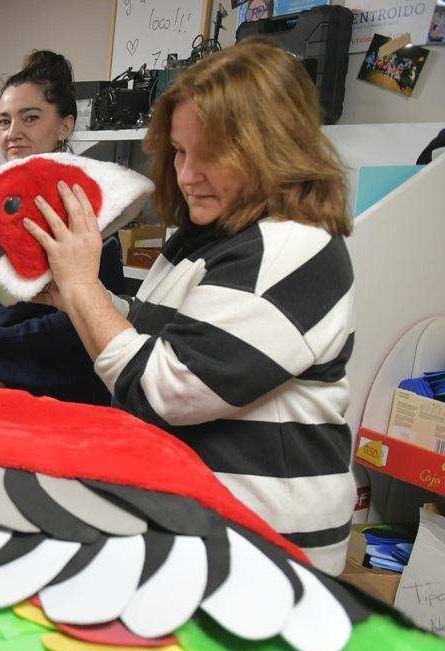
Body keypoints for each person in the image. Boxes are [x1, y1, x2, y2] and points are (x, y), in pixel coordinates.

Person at [24, 38, 355, 573]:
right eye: (180, 151)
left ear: (276, 146)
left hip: (265, 550)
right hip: (196, 529)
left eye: (214, 153)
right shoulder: (206, 237)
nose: (187, 175)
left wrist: (85, 290)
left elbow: (165, 390)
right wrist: (81, 298)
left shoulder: (292, 246)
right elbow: (166, 331)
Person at [0, 50, 125, 403]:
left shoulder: (91, 210)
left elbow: (94, 316)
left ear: (65, 125)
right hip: (8, 387)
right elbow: (2, 296)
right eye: (4, 121)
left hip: (68, 400)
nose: (13, 134)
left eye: (31, 118)